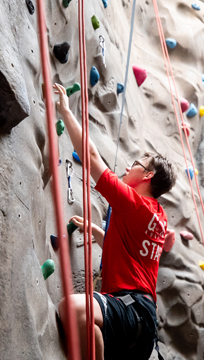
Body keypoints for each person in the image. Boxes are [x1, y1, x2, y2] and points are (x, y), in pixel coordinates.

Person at [54, 83, 177, 360]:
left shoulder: (134, 204)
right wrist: (97, 231)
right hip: (140, 328)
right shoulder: (157, 216)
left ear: (147, 176)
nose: (127, 167)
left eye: (136, 163)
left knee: (72, 309)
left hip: (128, 310)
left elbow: (92, 157)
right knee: (87, 323)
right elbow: (131, 251)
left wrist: (65, 111)